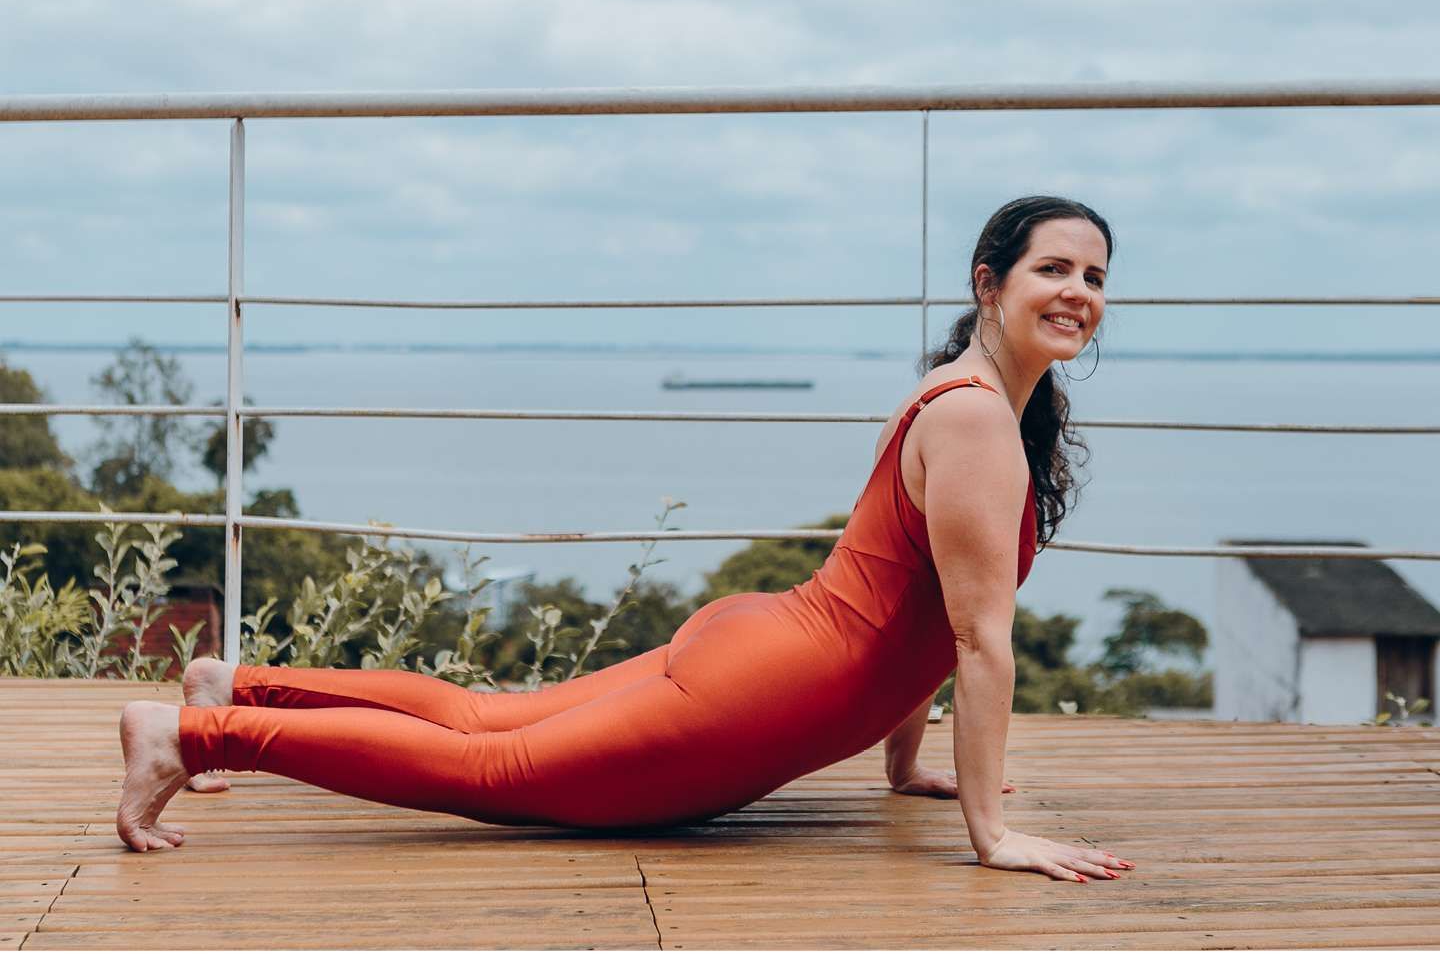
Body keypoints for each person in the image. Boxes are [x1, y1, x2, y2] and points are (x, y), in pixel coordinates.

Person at [116, 194, 1135, 884]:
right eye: (1052, 267)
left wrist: (903, 765)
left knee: (482, 719)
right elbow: (976, 639)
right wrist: (992, 833)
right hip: (767, 688)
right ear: (989, 281)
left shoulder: (958, 394)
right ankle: (194, 735)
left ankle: (232, 685)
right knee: (489, 771)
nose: (1077, 291)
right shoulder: (978, 419)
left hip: (764, 646)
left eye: (1093, 274)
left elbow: (914, 609)